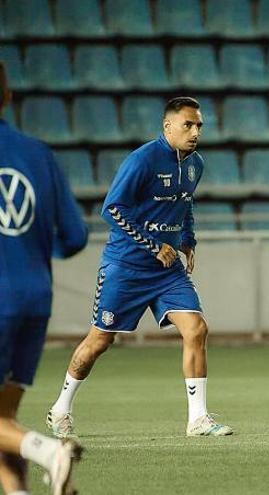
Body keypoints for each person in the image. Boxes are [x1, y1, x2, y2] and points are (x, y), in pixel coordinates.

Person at [46, 97, 234, 439]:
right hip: (126, 267)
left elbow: (184, 202)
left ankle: (198, 419)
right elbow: (112, 210)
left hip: (167, 271)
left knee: (196, 329)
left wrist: (187, 240)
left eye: (199, 126)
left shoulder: (195, 164)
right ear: (168, 127)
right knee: (99, 341)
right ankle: (61, 407)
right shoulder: (143, 160)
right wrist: (153, 245)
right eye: (188, 125)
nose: (195, 133)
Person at [0, 61, 88, 495]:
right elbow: (73, 237)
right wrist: (29, 251)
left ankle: (50, 452)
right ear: (8, 97)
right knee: (3, 420)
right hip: (35, 298)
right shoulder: (39, 154)